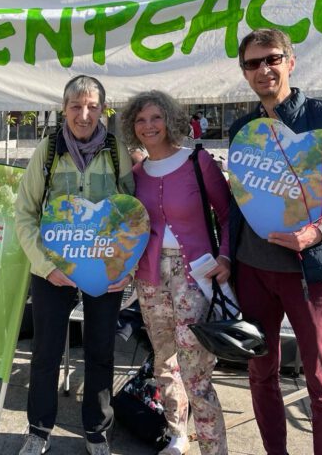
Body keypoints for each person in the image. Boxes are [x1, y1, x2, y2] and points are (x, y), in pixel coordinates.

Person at [229, 29, 322, 455]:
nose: (264, 69)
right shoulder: (245, 129)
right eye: (253, 63)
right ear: (245, 73)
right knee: (260, 374)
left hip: (311, 274)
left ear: (290, 62)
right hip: (254, 272)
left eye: (272, 59)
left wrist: (316, 232)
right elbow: (239, 205)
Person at [14, 75, 134, 455]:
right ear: (63, 109)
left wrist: (125, 267)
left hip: (104, 270)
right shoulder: (47, 151)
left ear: (103, 109)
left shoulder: (117, 151)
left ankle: (97, 431)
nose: (84, 115)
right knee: (46, 351)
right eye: (76, 106)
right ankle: (38, 429)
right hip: (52, 270)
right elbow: (25, 214)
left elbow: (134, 216)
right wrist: (45, 265)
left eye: (93, 106)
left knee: (100, 350)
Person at [120, 91, 230, 455]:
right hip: (150, 279)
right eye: (140, 120)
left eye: (155, 117)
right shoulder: (137, 175)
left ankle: (214, 448)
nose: (148, 126)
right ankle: (177, 435)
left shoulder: (198, 162)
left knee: (195, 370)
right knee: (164, 363)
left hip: (194, 278)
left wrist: (226, 258)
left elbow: (229, 215)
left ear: (169, 120)